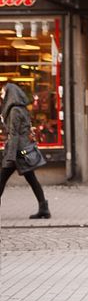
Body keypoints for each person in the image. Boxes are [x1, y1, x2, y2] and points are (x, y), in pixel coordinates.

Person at [0, 83, 50, 219]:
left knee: (2, 179)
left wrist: (10, 156)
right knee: (32, 179)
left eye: (3, 92)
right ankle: (44, 208)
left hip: (17, 152)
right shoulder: (21, 108)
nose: (1, 94)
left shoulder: (15, 110)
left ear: (11, 93)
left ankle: (44, 208)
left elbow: (15, 134)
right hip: (21, 151)